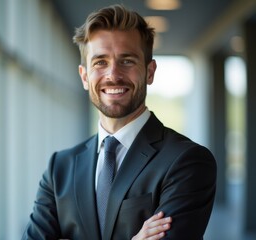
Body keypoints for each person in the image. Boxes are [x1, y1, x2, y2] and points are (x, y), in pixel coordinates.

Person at [22, 4, 216, 240]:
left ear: (150, 72)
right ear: (84, 76)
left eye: (127, 61)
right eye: (100, 62)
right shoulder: (59, 169)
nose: (113, 74)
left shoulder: (187, 161)